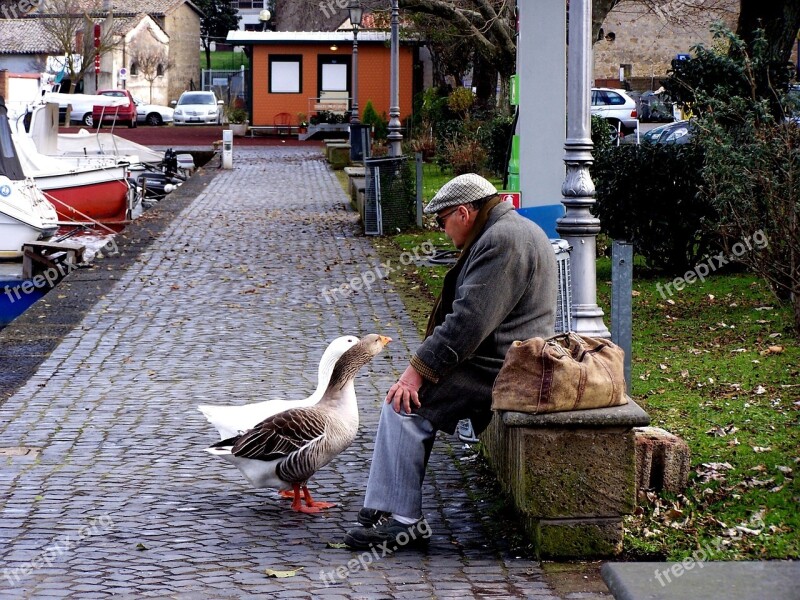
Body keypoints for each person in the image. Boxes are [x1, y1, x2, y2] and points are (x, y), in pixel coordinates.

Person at [343, 173, 558, 550]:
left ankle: (405, 523)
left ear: (463, 212)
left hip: (502, 367)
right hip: (506, 357)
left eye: (442, 223)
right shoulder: (507, 230)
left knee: (403, 405)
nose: (443, 233)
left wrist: (416, 373)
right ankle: (383, 505)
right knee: (403, 399)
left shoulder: (502, 240)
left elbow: (467, 325)